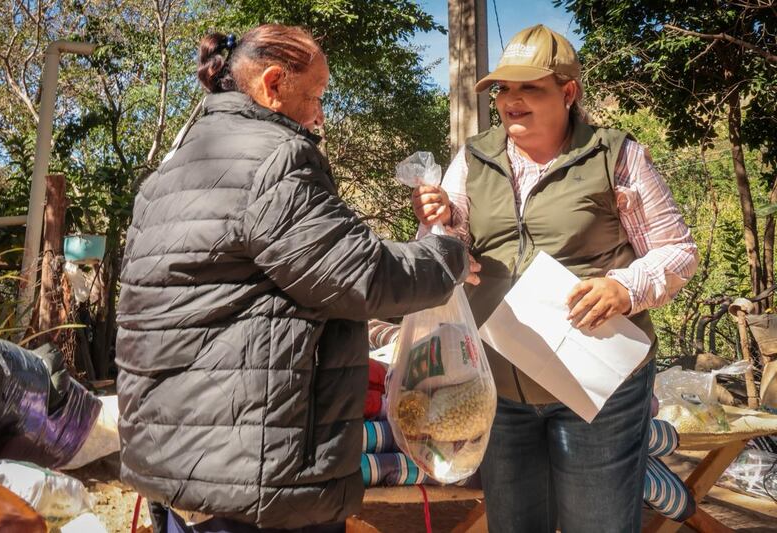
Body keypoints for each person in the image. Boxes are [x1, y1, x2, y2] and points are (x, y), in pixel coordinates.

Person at [115, 24, 478, 533]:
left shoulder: (169, 173)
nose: (320, 114)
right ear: (272, 84)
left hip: (178, 459)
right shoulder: (274, 160)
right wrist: (447, 256)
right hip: (252, 473)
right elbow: (361, 273)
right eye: (316, 95)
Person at [413, 24, 698, 532]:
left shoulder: (615, 155)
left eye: (530, 88)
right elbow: (451, 246)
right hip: (499, 385)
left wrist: (624, 288)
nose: (511, 101)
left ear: (568, 93)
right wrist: (437, 222)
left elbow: (677, 250)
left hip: (596, 385)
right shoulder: (474, 158)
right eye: (504, 89)